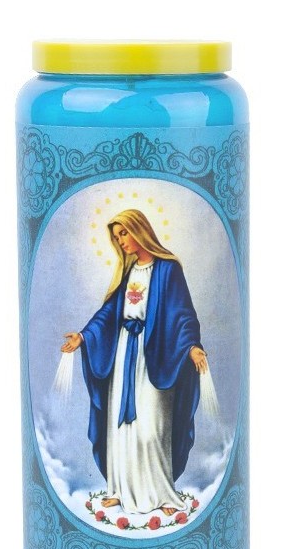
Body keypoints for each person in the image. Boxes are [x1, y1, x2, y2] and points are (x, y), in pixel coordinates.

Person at [62, 210, 207, 516]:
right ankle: (120, 489)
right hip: (124, 353)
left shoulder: (168, 269)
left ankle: (162, 494)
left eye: (124, 233)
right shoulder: (128, 273)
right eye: (117, 237)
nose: (121, 241)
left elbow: (182, 314)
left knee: (151, 426)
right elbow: (109, 314)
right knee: (121, 425)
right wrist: (84, 337)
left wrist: (192, 346)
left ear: (139, 230)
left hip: (155, 355)